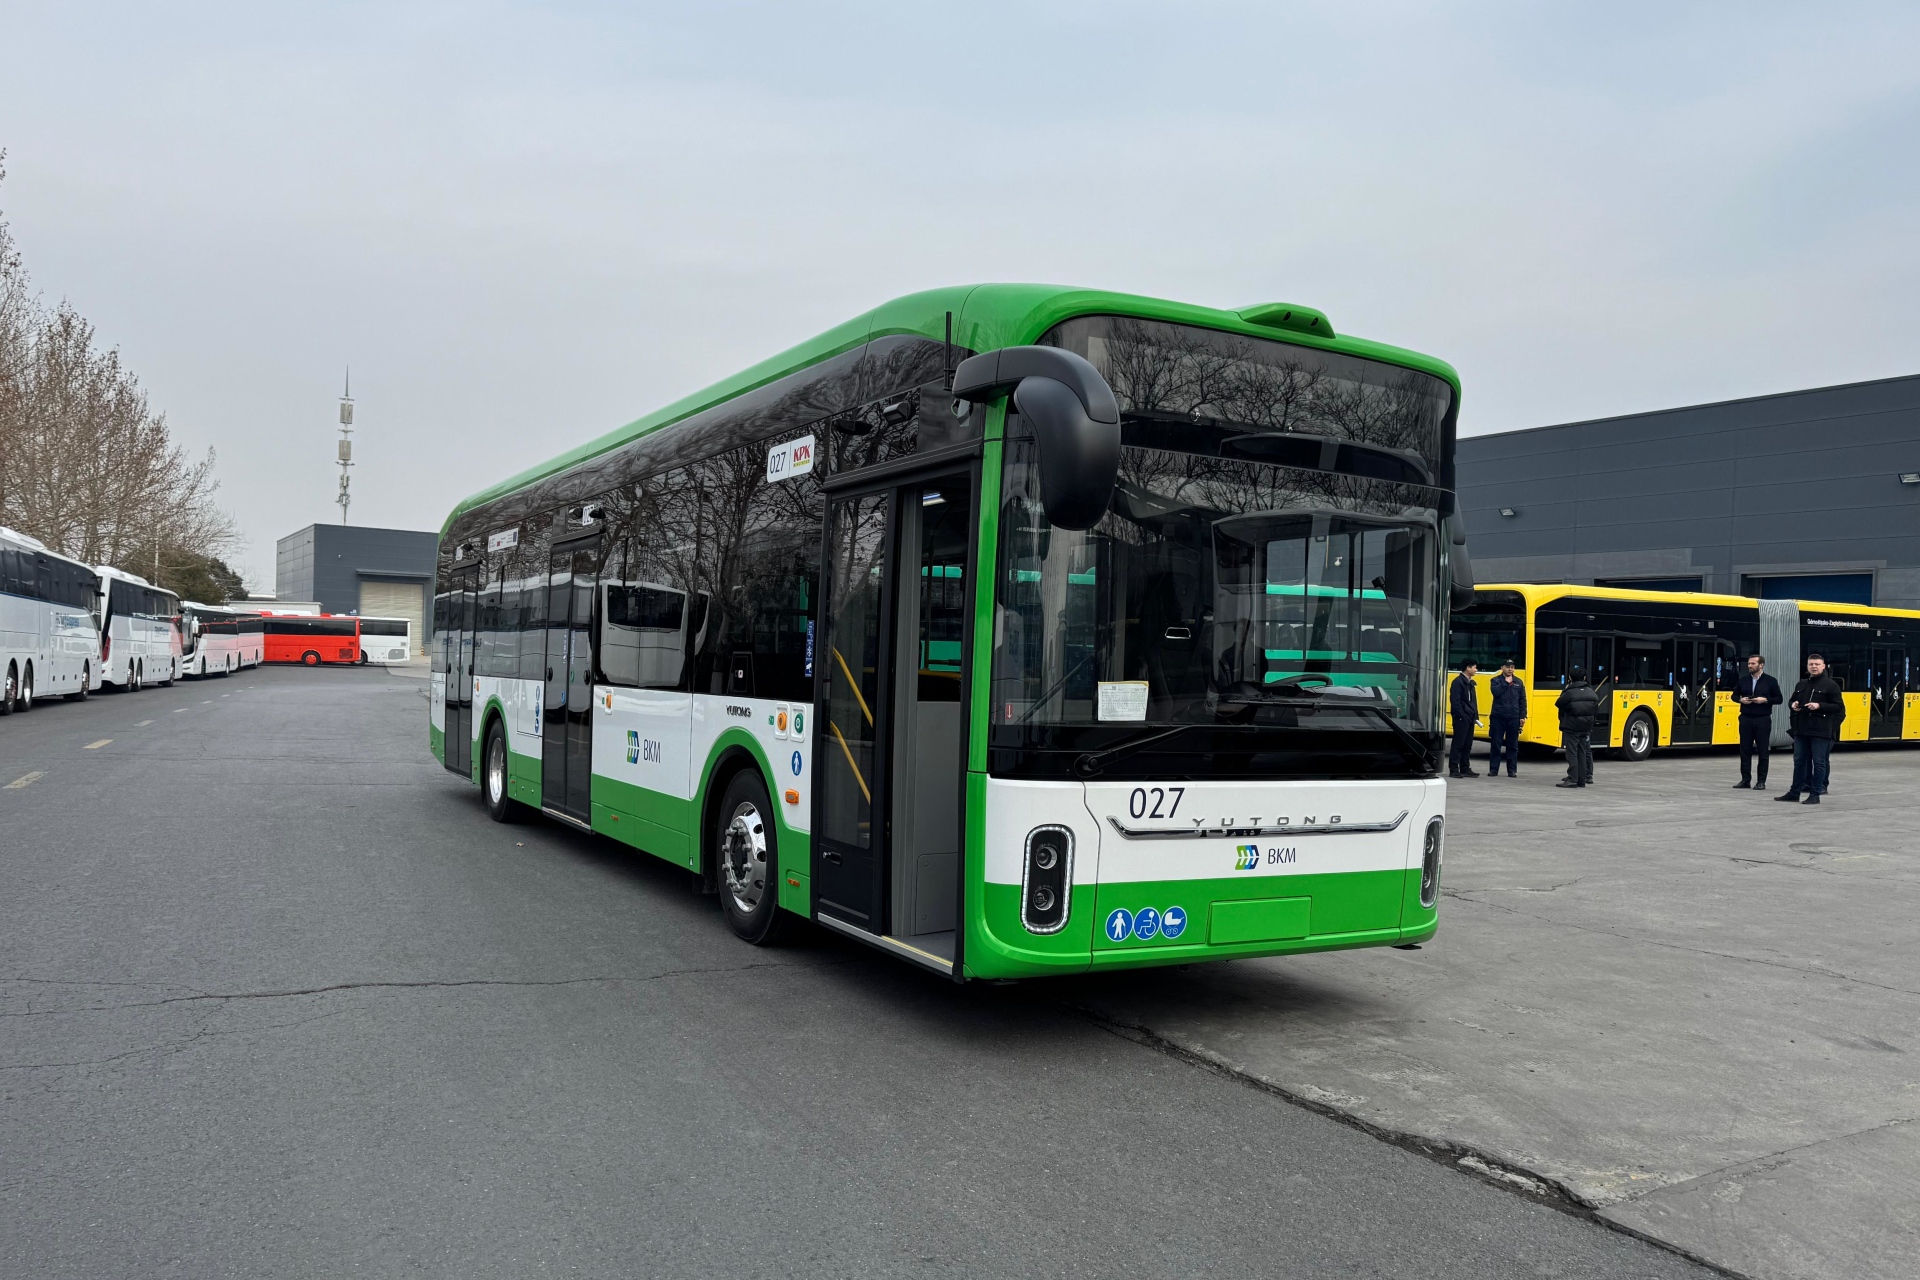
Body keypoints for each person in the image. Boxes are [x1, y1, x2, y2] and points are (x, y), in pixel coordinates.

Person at [1777, 653, 1844, 805]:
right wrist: (1793, 704)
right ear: (1807, 666)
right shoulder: (1801, 684)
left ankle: (1815, 794)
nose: (1813, 667)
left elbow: (1839, 707)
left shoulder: (1831, 685)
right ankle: (1794, 792)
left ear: (1823, 666)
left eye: (1817, 664)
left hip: (1820, 730)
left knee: (1819, 762)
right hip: (1801, 729)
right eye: (1811, 664)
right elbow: (1792, 700)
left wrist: (1819, 706)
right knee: (1799, 761)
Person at [1731, 652, 1783, 789]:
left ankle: (1761, 781)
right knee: (1745, 750)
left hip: (1762, 719)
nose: (1750, 666)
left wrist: (1765, 700)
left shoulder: (1770, 681)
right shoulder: (1743, 680)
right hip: (1746, 717)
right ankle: (1745, 780)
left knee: (1762, 750)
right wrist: (1740, 700)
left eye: (1753, 663)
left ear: (1761, 665)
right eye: (1749, 663)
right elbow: (1734, 695)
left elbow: (1779, 699)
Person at [1554, 667, 1598, 788]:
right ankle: (1582, 779)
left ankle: (1572, 779)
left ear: (1570, 678)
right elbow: (1595, 708)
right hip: (1586, 726)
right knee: (1582, 752)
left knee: (1571, 753)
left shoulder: (1570, 692)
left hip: (1572, 726)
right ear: (1584, 678)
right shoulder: (1591, 691)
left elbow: (1558, 703)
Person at [1487, 658, 1527, 778]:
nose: (1510, 669)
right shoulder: (1495, 680)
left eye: (1512, 667)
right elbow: (1496, 692)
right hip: (1498, 716)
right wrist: (1505, 682)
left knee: (1512, 745)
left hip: (1513, 717)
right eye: (1508, 667)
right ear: (1502, 668)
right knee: (1496, 743)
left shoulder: (1518, 682)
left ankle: (1512, 770)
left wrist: (1523, 716)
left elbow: (1522, 700)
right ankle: (1494, 770)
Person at [1448, 660, 1481, 777]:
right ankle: (1453, 769)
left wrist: (1475, 715)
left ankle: (1465, 767)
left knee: (1467, 744)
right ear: (1468, 668)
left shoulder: (1470, 683)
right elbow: (1455, 701)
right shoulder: (1458, 682)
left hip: (1470, 717)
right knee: (1458, 743)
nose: (1476, 670)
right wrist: (1461, 715)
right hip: (1462, 718)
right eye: (1475, 667)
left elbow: (1473, 701)